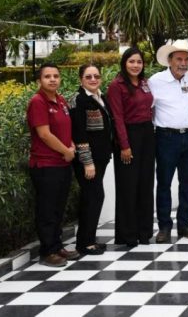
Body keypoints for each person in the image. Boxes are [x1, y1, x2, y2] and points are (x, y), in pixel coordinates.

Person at [149, 40, 188, 242]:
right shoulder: (156, 81)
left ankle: (184, 225)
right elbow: (148, 108)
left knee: (187, 183)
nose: (183, 63)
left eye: (186, 59)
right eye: (179, 59)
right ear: (170, 60)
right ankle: (164, 227)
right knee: (164, 183)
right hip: (166, 138)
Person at [27, 63, 79, 267]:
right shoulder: (38, 102)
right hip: (45, 164)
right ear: (39, 80)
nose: (52, 79)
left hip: (62, 163)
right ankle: (47, 251)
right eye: (47, 76)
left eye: (56, 76)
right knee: (47, 210)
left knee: (58, 208)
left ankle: (57, 246)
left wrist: (71, 146)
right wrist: (66, 151)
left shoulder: (60, 100)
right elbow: (44, 134)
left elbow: (65, 128)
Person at [107, 47, 155, 247]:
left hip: (147, 134)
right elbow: (117, 118)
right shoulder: (116, 86)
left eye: (139, 62)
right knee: (128, 186)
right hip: (128, 136)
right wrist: (124, 146)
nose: (136, 65)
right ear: (124, 63)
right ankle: (128, 234)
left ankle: (144, 232)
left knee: (146, 184)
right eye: (131, 61)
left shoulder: (144, 83)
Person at [69, 64, 115, 255]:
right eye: (88, 77)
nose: (93, 79)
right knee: (92, 197)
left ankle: (89, 238)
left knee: (94, 196)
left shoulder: (100, 97)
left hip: (101, 158)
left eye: (96, 76)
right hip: (88, 161)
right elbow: (79, 133)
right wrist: (87, 162)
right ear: (81, 79)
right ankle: (84, 243)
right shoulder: (79, 100)